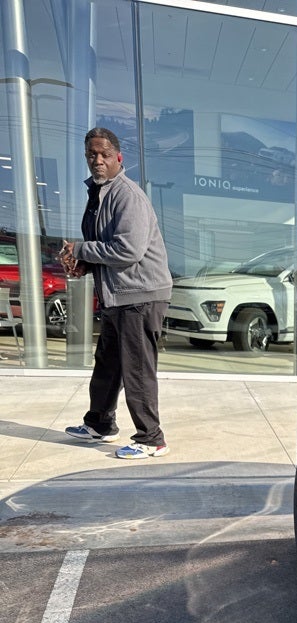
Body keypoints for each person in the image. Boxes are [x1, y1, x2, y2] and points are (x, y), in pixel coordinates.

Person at [61, 127, 173, 459]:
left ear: (118, 158)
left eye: (104, 154)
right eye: (91, 154)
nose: (97, 160)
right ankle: (100, 423)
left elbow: (128, 250)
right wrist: (84, 264)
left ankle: (151, 438)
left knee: (136, 368)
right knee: (108, 363)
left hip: (141, 294)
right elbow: (107, 252)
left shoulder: (127, 195)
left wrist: (80, 249)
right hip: (118, 294)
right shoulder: (98, 193)